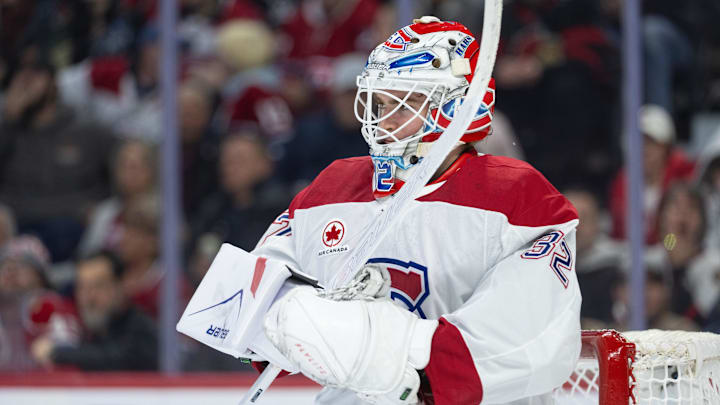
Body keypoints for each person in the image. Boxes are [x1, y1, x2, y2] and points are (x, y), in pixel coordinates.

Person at [251, 17, 581, 405]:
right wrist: (292, 318)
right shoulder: (331, 188)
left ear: (458, 108)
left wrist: (379, 342)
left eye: (404, 103)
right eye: (380, 102)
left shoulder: (516, 198)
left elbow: (528, 343)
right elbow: (243, 307)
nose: (383, 120)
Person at [30, 250, 158, 371]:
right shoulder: (90, 330)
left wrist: (57, 353)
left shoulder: (142, 330)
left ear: (121, 287)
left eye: (98, 286)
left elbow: (118, 358)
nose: (89, 297)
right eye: (82, 288)